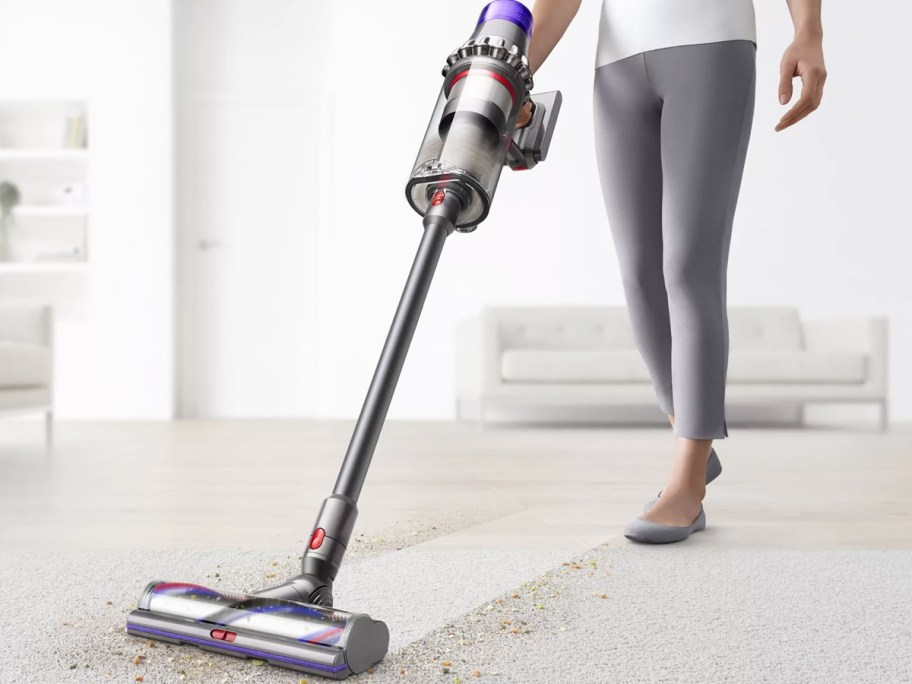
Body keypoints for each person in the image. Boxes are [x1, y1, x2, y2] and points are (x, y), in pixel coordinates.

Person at [516, 0, 827, 543]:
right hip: (616, 65)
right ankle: (689, 434)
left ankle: (687, 485)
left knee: (689, 266)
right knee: (639, 273)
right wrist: (511, 79)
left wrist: (808, 31)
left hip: (711, 42)